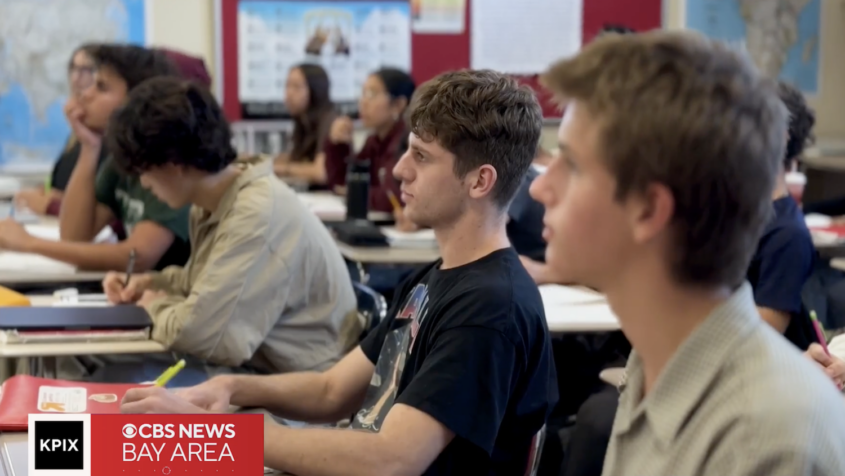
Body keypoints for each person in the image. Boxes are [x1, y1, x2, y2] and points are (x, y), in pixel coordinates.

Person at [121, 69, 558, 476]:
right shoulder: (435, 278)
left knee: (136, 457)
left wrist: (213, 434)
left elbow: (392, 459)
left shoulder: (488, 309)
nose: (400, 169)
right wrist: (233, 389)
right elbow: (332, 391)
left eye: (421, 157)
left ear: (480, 182)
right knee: (107, 449)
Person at [532, 30, 845, 476]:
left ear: (650, 209)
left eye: (574, 165)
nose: (541, 186)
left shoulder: (765, 435)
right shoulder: (655, 360)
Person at [90, 76, 357, 384]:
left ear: (173, 163)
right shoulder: (216, 200)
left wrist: (152, 307)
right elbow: (203, 284)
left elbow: (205, 336)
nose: (145, 184)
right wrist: (149, 282)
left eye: (143, 172)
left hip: (300, 392)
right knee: (104, 377)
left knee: (114, 394)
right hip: (258, 374)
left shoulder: (254, 214)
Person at [0, 45, 192, 272]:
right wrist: (89, 146)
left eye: (101, 88)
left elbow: (138, 256)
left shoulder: (166, 164)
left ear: (136, 100)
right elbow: (75, 236)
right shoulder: (122, 162)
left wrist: (29, 243)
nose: (85, 94)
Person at [14, 44, 105, 216]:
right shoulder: (77, 135)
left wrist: (53, 204)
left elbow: (103, 210)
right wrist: (47, 194)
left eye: (87, 70)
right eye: (73, 68)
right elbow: (61, 185)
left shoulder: (107, 138)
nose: (76, 79)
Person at [324, 68, 414, 218]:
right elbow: (341, 182)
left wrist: (355, 192)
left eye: (372, 94)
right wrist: (338, 146)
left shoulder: (407, 141)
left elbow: (391, 196)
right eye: (363, 93)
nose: (363, 102)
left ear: (398, 104)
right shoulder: (374, 141)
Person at [274, 64, 336, 184]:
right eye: (287, 86)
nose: (289, 93)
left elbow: (320, 172)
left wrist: (280, 169)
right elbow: (296, 158)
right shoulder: (303, 121)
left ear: (315, 90)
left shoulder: (329, 120)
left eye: (296, 87)